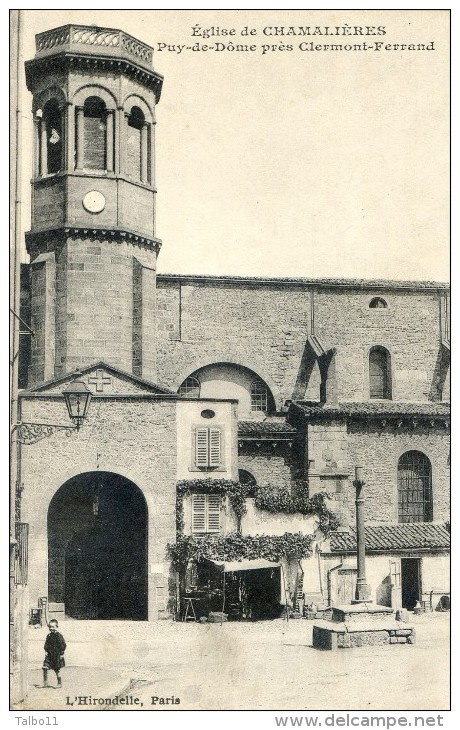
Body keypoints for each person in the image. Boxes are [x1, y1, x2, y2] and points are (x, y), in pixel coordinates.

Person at [42, 619, 66, 688]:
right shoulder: (48, 636)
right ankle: (45, 682)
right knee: (45, 667)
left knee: (57, 670)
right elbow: (46, 644)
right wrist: (46, 651)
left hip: (56, 655)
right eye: (50, 627)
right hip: (49, 655)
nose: (51, 628)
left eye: (53, 627)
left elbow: (63, 645)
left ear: (57, 627)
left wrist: (61, 653)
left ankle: (59, 682)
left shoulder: (59, 636)